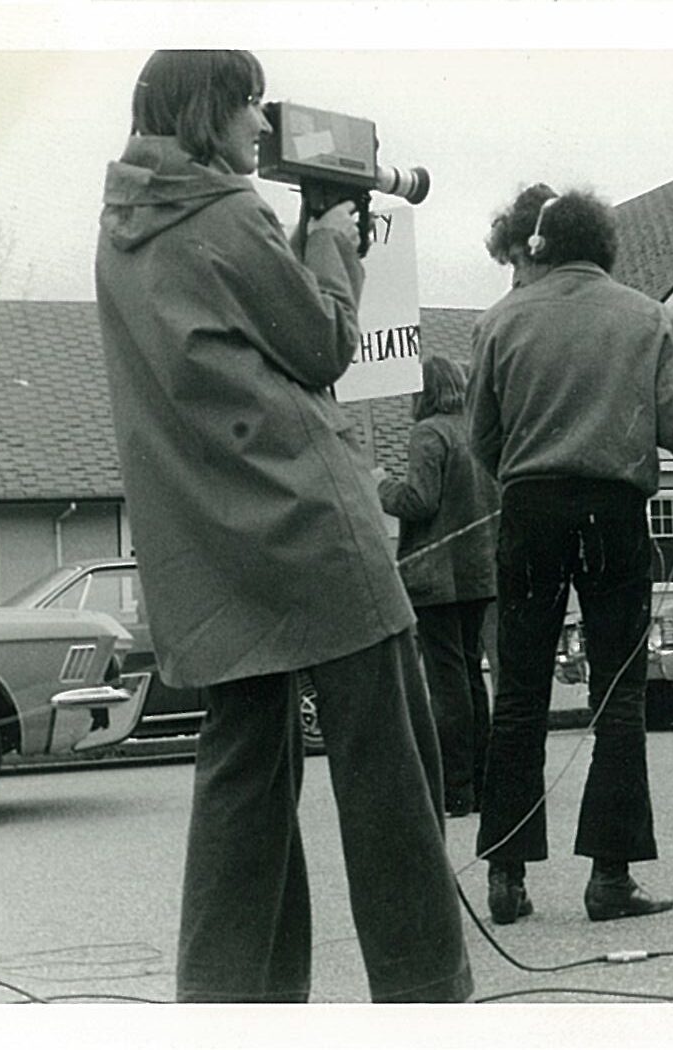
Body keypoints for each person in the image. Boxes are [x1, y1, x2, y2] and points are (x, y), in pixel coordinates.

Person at [94, 50, 470, 1002]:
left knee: (241, 787)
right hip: (311, 523)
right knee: (388, 776)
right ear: (209, 106)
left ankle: (231, 1003)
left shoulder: (122, 231)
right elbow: (322, 342)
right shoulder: (225, 213)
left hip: (211, 550)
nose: (262, 124)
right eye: (251, 103)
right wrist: (334, 238)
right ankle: (427, 996)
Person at [468, 184, 673, 924]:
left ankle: (507, 876)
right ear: (607, 247)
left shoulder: (500, 322)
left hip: (530, 511)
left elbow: (482, 440)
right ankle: (610, 877)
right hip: (615, 514)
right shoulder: (646, 318)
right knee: (618, 693)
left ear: (540, 247)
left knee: (519, 693)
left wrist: (526, 473)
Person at [377, 355, 500, 819]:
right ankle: (481, 783)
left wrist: (381, 486)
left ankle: (455, 788)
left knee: (446, 684)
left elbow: (419, 501)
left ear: (423, 390)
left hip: (435, 577)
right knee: (471, 677)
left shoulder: (428, 433)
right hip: (478, 573)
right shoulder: (477, 430)